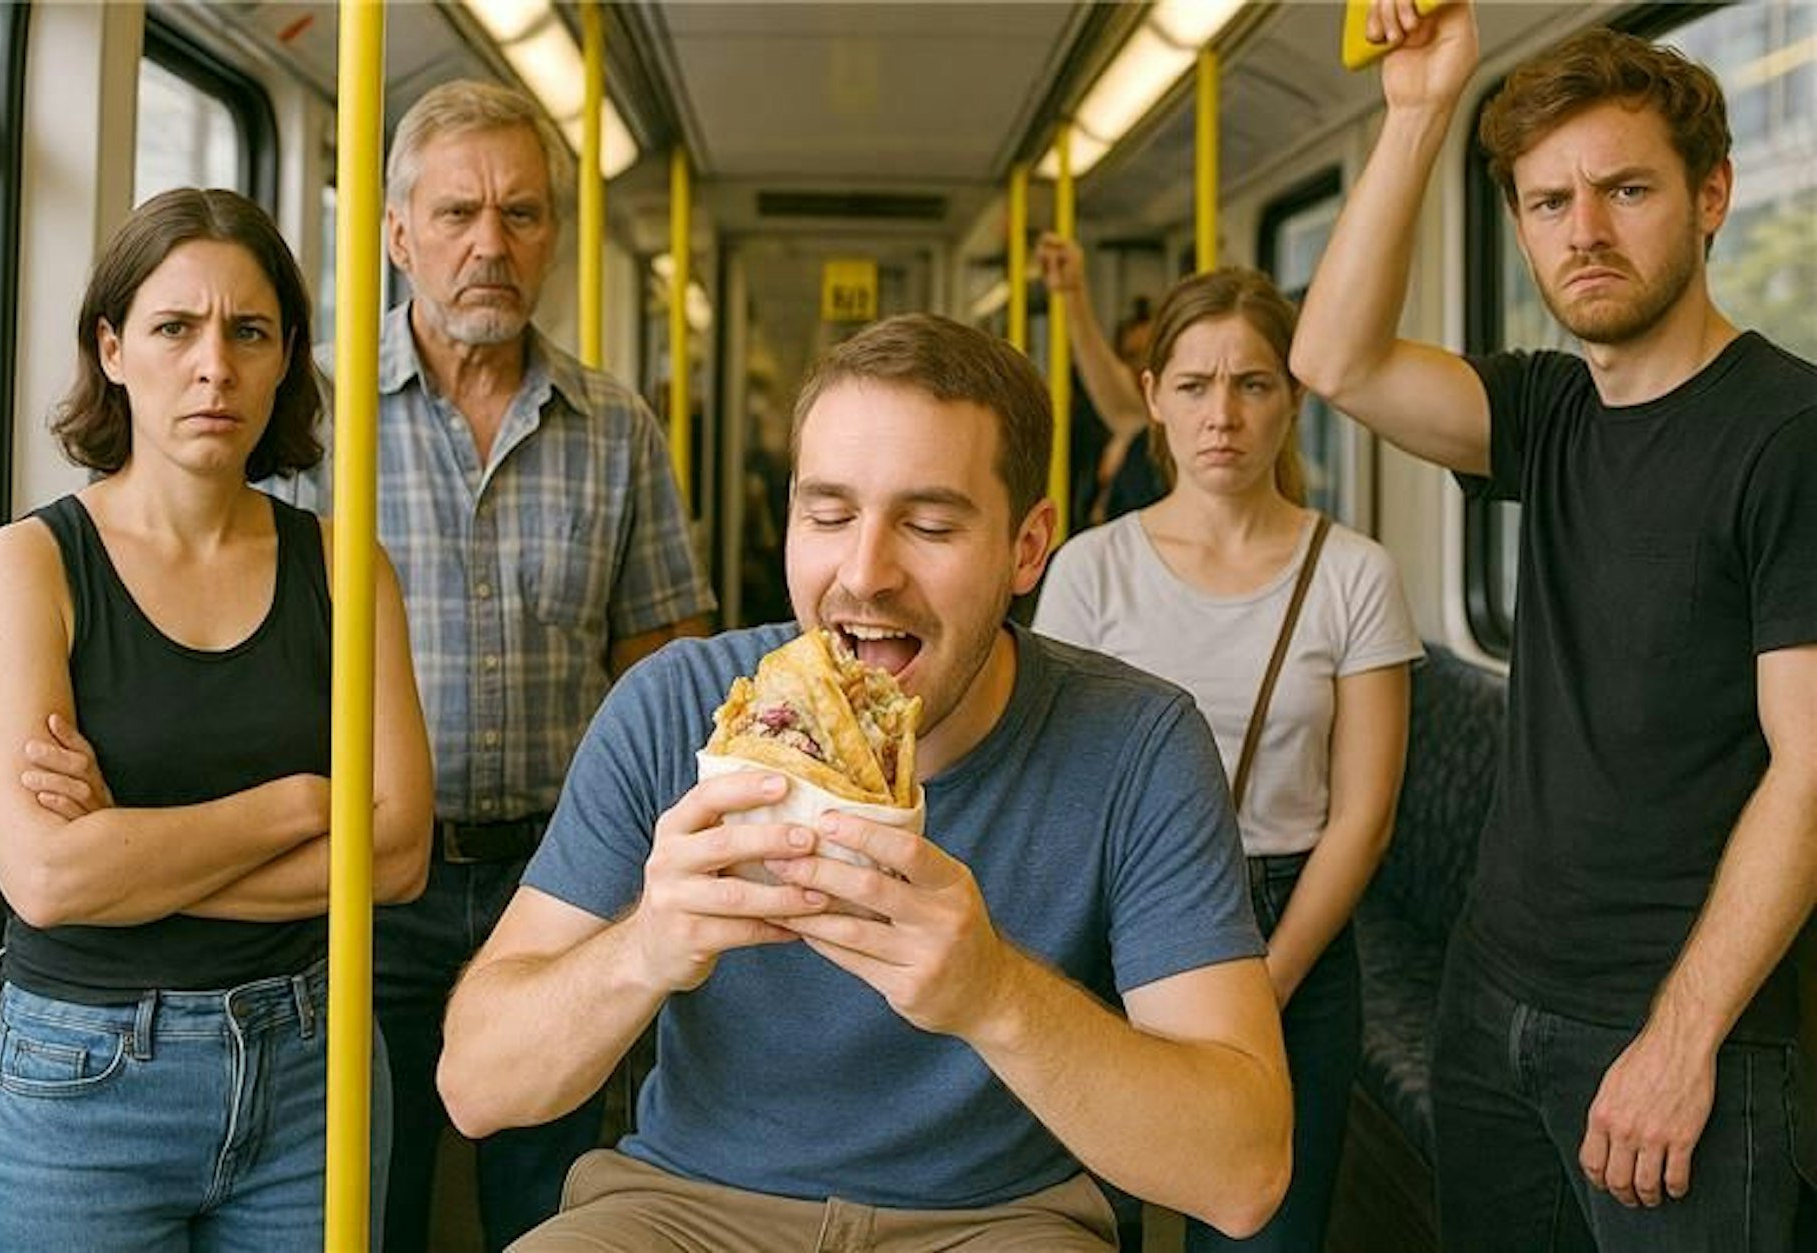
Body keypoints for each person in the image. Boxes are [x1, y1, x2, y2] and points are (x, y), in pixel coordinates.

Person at [437, 313, 1293, 1251]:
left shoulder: (1137, 745)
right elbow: (477, 1086)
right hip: (679, 1206)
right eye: (829, 514)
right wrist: (646, 943)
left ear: (1028, 547)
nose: (864, 571)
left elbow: (1244, 1172)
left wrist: (993, 992)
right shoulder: (677, 706)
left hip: (998, 1222)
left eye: (928, 523)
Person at [1290, 5, 1817, 1250]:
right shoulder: (1549, 410)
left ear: (1709, 196)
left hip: (1685, 1028)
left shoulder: (1787, 435)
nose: (1581, 230)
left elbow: (1809, 766)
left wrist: (1679, 1041)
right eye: (1544, 201)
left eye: (1624, 188)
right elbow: (1334, 360)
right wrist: (1418, 112)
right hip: (1491, 991)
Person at [266, 79, 715, 1253]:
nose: (489, 244)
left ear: (554, 239)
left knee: (549, 1195)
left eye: (521, 214)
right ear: (395, 233)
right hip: (368, 878)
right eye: (457, 212)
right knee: (369, 1193)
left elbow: (658, 664)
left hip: (563, 873)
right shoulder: (306, 414)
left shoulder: (615, 425)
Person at [0, 187, 433, 1249]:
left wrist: (133, 852)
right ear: (114, 347)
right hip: (84, 1082)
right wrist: (303, 801)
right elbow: (45, 878)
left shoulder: (347, 569)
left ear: (284, 361)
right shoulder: (29, 566)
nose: (214, 364)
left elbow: (398, 853)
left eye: (249, 331)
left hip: (315, 1057)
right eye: (176, 327)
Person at [1036, 266, 1420, 1251]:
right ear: (1151, 397)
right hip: (1108, 923)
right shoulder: (1090, 568)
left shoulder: (1352, 574)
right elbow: (1059, 783)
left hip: (1290, 923)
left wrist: (1267, 976)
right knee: (1083, 1227)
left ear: (1291, 399)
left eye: (1252, 384)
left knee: (1265, 1235)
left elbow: (1360, 816)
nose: (1223, 415)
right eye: (1195, 386)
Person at [1036, 232, 1169, 526]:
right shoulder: (1104, 430)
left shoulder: (1167, 443)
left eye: (1153, 357)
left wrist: (1073, 293)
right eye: (1133, 357)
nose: (1142, 368)